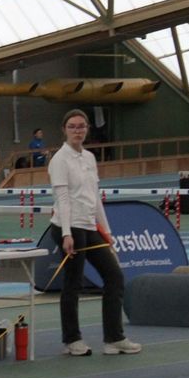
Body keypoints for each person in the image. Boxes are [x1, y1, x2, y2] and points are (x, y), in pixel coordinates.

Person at [48, 109, 141, 356]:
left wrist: (107, 233)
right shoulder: (59, 160)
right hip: (69, 226)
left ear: (87, 129)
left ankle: (114, 338)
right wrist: (66, 234)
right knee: (73, 282)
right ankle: (72, 340)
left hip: (90, 226)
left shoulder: (89, 157)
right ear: (64, 130)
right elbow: (63, 199)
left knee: (114, 276)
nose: (77, 131)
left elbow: (95, 198)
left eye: (81, 126)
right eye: (72, 126)